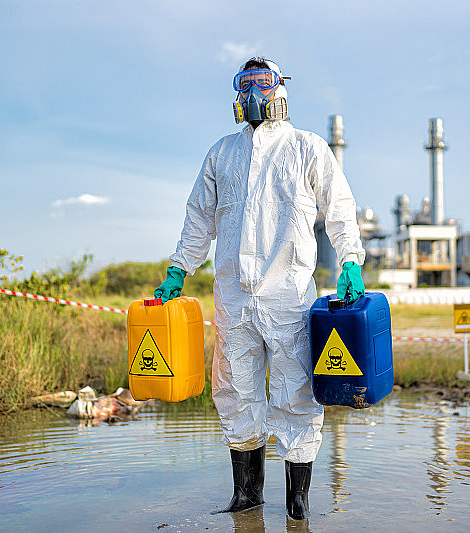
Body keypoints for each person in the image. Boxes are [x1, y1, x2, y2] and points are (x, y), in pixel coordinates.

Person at [154, 57, 366, 520]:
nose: (253, 93)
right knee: (235, 391)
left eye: (263, 82)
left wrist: (349, 259)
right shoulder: (221, 153)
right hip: (233, 299)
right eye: (244, 84)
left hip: (288, 296)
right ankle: (246, 497)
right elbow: (198, 218)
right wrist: (178, 268)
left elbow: (340, 209)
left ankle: (297, 504)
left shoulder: (307, 147)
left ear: (280, 90)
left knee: (297, 395)